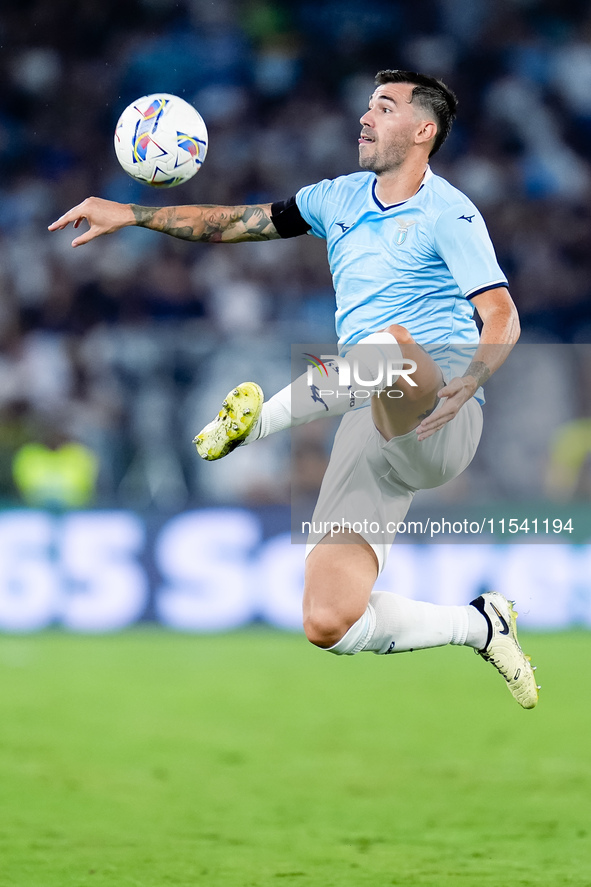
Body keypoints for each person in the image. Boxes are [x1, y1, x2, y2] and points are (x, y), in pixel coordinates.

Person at [49, 69, 539, 708]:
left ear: (424, 131)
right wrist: (133, 214)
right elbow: (234, 222)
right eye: (367, 105)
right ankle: (481, 625)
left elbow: (502, 313)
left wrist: (474, 376)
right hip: (366, 419)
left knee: (393, 346)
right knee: (330, 621)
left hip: (438, 406)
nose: (365, 117)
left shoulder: (449, 212)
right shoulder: (336, 198)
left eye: (384, 107)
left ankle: (258, 421)